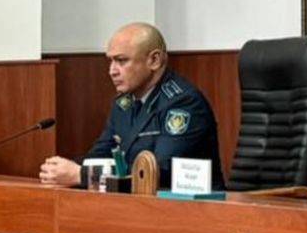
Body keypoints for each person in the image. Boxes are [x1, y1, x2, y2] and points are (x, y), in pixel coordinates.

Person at [38, 22, 224, 189]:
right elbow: (101, 154)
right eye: (110, 61)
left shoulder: (183, 104)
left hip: (190, 208)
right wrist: (63, 169)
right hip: (139, 204)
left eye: (121, 61)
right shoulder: (123, 104)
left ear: (154, 60)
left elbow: (158, 171)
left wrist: (83, 175)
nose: (112, 71)